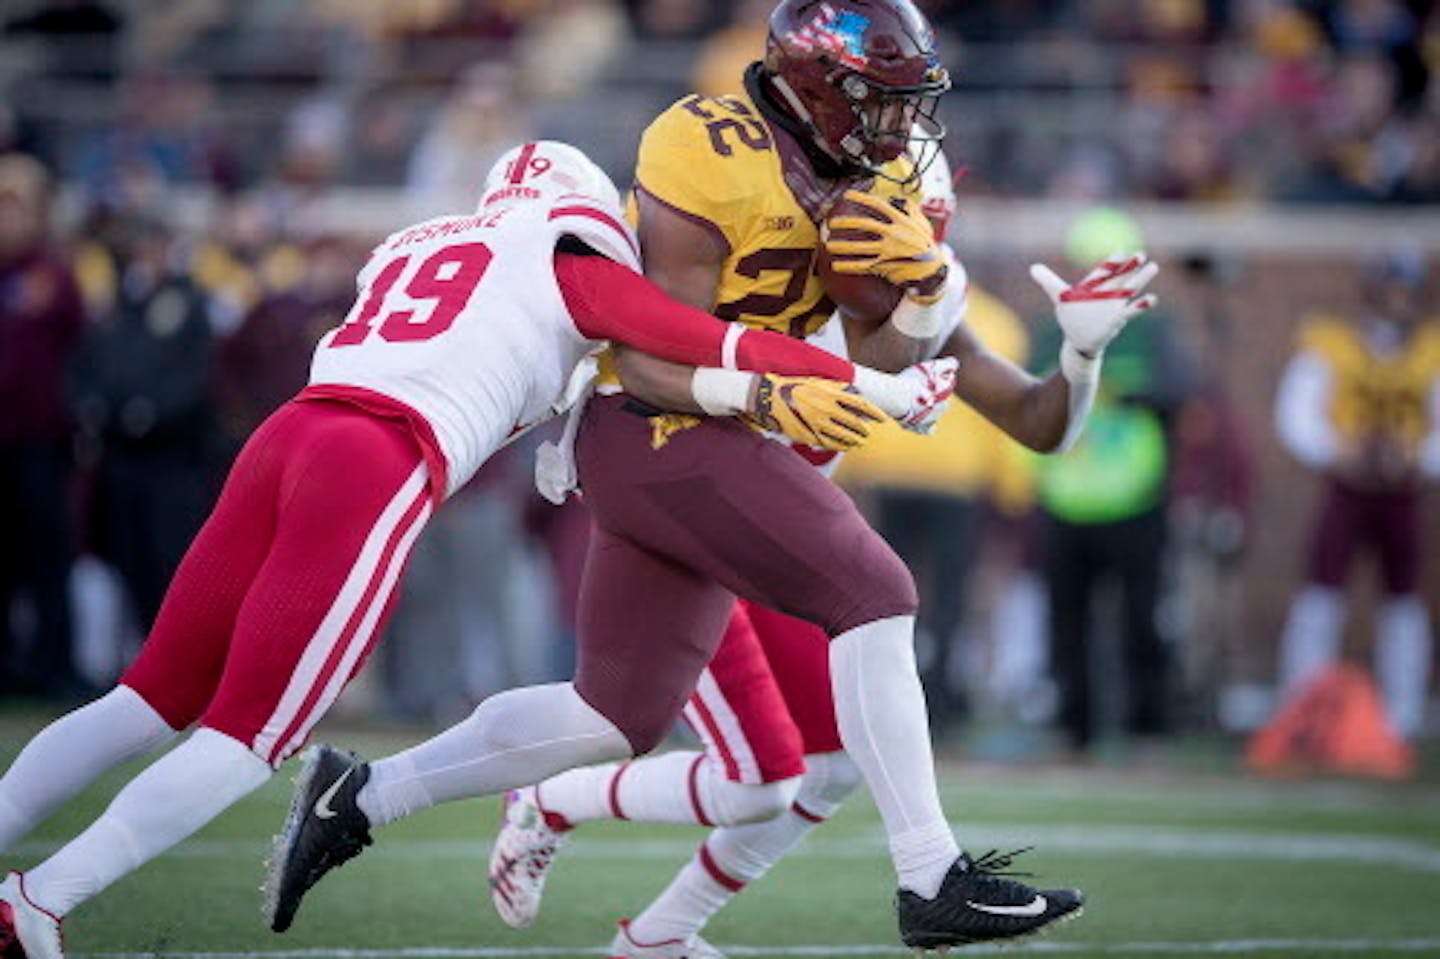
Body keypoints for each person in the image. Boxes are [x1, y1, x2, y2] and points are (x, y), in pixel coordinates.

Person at [264, 2, 1157, 952]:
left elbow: (976, 394)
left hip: (728, 479)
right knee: (876, 591)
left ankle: (361, 795)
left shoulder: (889, 220)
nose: (902, 150)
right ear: (818, 92)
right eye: (884, 110)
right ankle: (930, 875)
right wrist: (772, 397)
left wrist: (1058, 347)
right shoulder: (713, 147)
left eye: (913, 139)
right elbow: (645, 354)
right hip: (660, 433)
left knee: (611, 713)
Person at [0, 140, 947, 957]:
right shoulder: (574, 263)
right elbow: (702, 340)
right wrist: (874, 382)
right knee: (254, 733)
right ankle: (40, 897)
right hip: (373, 458)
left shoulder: (416, 243)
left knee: (148, 690)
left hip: (290, 432)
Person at [486, 146, 1095, 959]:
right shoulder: (755, 266)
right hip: (690, 526)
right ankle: (553, 799)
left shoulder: (924, 291)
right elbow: (659, 370)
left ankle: (660, 933)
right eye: (899, 229)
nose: (914, 253)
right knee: (758, 780)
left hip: (776, 547)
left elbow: (1038, 422)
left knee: (835, 763)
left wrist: (1081, 354)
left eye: (925, 233)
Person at [1274, 249, 1440, 739]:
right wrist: (1339, 453)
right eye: (1390, 289)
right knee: (1321, 588)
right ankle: (1303, 707)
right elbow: (1298, 416)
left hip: (1403, 490)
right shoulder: (1334, 345)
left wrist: (1416, 458)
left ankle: (1403, 718)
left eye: (1406, 291)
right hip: (1346, 486)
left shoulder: (1430, 351)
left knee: (1404, 598)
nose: (1398, 302)